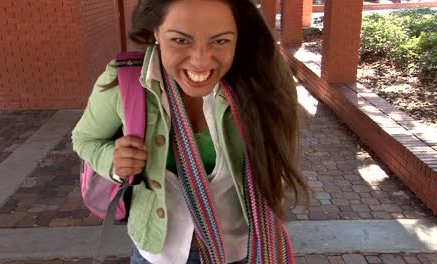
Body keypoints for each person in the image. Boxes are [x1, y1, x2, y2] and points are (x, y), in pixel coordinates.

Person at [72, 0, 309, 263]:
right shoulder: (124, 82)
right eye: (180, 40)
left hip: (240, 250)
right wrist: (114, 162)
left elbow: (278, 161)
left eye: (220, 41)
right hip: (157, 253)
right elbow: (85, 139)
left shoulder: (262, 86)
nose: (200, 60)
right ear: (156, 32)